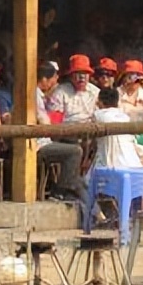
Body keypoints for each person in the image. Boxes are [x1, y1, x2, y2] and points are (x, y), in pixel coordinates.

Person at [33, 61, 86, 201]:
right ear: (44, 79)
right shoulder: (34, 95)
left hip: (45, 139)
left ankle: (72, 187)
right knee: (75, 151)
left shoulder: (40, 95)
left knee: (73, 146)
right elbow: (44, 121)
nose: (53, 84)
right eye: (51, 80)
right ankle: (61, 190)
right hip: (38, 145)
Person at [92, 87, 143, 170]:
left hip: (108, 167)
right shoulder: (125, 117)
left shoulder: (97, 115)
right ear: (117, 102)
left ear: (100, 102)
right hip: (133, 165)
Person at [47, 54, 100, 125]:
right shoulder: (61, 92)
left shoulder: (96, 92)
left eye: (85, 73)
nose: (82, 76)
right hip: (67, 132)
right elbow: (54, 120)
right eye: (78, 73)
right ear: (71, 75)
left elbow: (100, 117)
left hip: (91, 132)